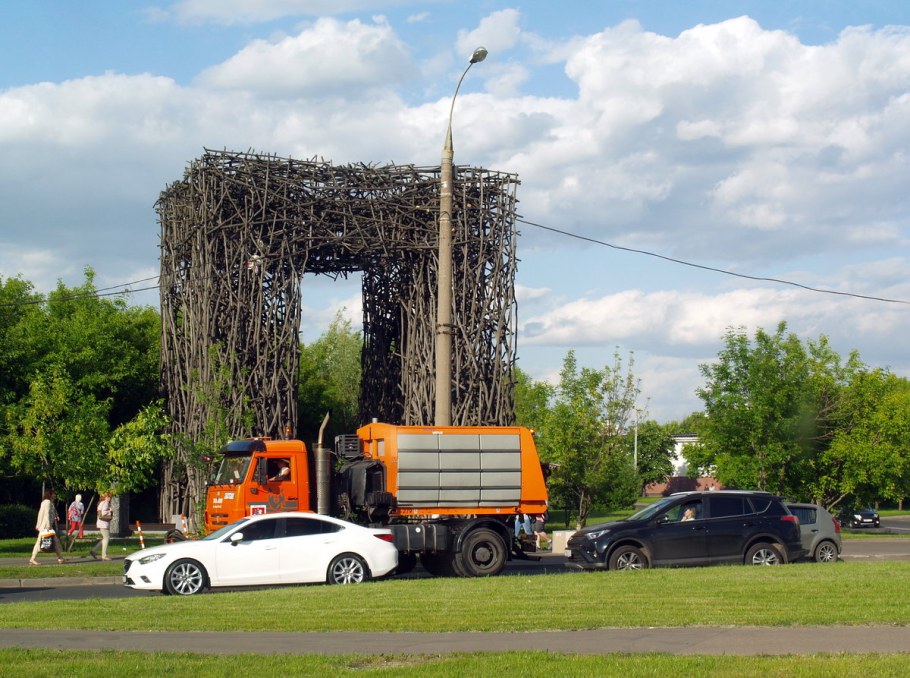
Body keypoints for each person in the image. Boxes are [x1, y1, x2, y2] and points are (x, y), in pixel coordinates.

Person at [29, 489, 64, 565]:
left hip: (45, 525)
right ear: (50, 494)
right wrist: (48, 525)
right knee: (54, 540)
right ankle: (60, 558)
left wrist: (56, 515)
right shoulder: (47, 502)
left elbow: (51, 511)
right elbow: (46, 514)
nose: (55, 495)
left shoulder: (47, 502)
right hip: (46, 526)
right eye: (53, 494)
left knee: (40, 542)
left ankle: (33, 558)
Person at [91, 492, 113, 561]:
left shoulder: (101, 503)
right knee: (106, 538)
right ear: (105, 497)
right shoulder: (106, 503)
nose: (109, 498)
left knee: (104, 538)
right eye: (108, 497)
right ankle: (104, 555)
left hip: (100, 522)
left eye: (110, 497)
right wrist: (110, 511)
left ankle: (94, 550)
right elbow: (104, 513)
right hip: (104, 523)